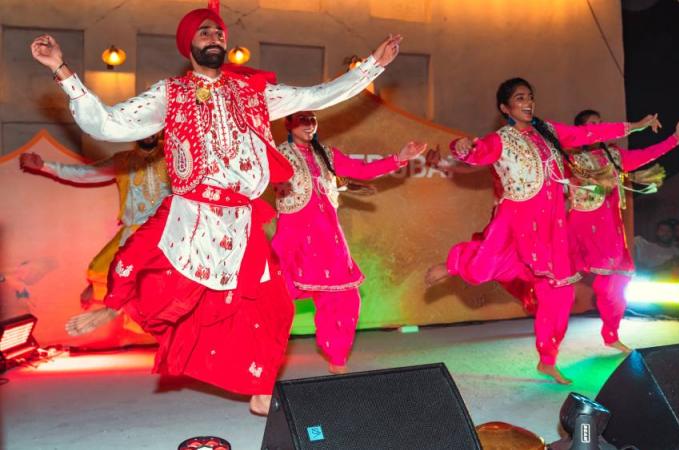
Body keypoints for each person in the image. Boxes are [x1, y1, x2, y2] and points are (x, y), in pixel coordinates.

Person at [30, 5, 402, 414]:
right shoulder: (170, 94)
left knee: (274, 305)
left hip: (242, 218)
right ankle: (112, 306)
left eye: (220, 33)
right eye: (205, 32)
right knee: (143, 269)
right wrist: (61, 69)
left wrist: (373, 65)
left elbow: (317, 95)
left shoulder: (253, 92)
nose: (215, 37)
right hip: (191, 212)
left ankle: (260, 390)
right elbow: (107, 124)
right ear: (188, 44)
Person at [427, 77, 661, 384]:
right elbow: (477, 152)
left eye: (530, 97)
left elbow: (588, 133)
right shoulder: (501, 139)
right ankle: (455, 264)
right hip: (516, 220)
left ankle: (547, 360)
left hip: (552, 226)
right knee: (484, 268)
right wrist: (462, 147)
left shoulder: (548, 132)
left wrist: (636, 126)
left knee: (561, 293)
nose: (528, 103)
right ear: (505, 108)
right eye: (520, 98)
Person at [272, 111, 425, 374]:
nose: (309, 125)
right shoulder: (276, 154)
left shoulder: (327, 155)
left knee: (344, 297)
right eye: (302, 120)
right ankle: (255, 360)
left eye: (312, 120)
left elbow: (362, 170)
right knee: (272, 297)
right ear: (288, 123)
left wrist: (399, 157)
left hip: (328, 238)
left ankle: (337, 358)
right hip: (293, 237)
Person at [20, 135, 169, 335]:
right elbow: (86, 173)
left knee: (169, 288)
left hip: (169, 233)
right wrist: (44, 166)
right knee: (112, 271)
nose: (149, 134)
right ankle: (109, 301)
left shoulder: (175, 154)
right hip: (134, 234)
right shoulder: (123, 160)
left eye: (152, 128)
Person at [567, 109, 679, 352]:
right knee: (556, 279)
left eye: (601, 123)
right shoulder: (571, 158)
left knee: (620, 280)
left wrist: (674, 138)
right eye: (593, 124)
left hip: (610, 230)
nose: (600, 127)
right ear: (582, 131)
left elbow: (645, 155)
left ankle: (611, 333)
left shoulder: (614, 156)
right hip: (582, 227)